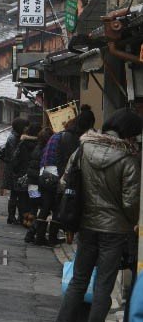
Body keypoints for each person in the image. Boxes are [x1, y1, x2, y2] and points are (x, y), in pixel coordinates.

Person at [52, 108, 142, 322]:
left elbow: (64, 182)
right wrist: (132, 223)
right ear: (129, 134)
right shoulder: (128, 159)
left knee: (79, 281)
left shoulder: (83, 148)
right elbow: (131, 202)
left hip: (86, 226)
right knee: (103, 285)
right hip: (114, 230)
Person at [36, 105, 95, 246]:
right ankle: (51, 238)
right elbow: (68, 160)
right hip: (57, 174)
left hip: (44, 173)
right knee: (57, 207)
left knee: (45, 207)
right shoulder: (71, 138)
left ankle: (38, 236)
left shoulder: (58, 135)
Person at [24, 126, 53, 243]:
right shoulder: (45, 150)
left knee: (34, 209)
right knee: (43, 210)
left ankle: (33, 235)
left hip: (31, 183)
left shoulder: (37, 147)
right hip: (37, 183)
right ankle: (31, 233)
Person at [0, 117, 28, 225]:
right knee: (17, 194)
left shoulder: (14, 136)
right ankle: (13, 216)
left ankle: (13, 216)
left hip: (12, 169)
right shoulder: (14, 138)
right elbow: (14, 156)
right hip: (14, 170)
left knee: (15, 194)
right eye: (25, 126)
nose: (26, 129)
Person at [11, 122, 40, 225]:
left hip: (22, 175)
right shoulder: (40, 145)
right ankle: (31, 219)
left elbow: (16, 159)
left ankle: (23, 218)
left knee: (23, 198)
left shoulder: (22, 143)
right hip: (35, 177)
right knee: (34, 198)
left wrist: (16, 172)